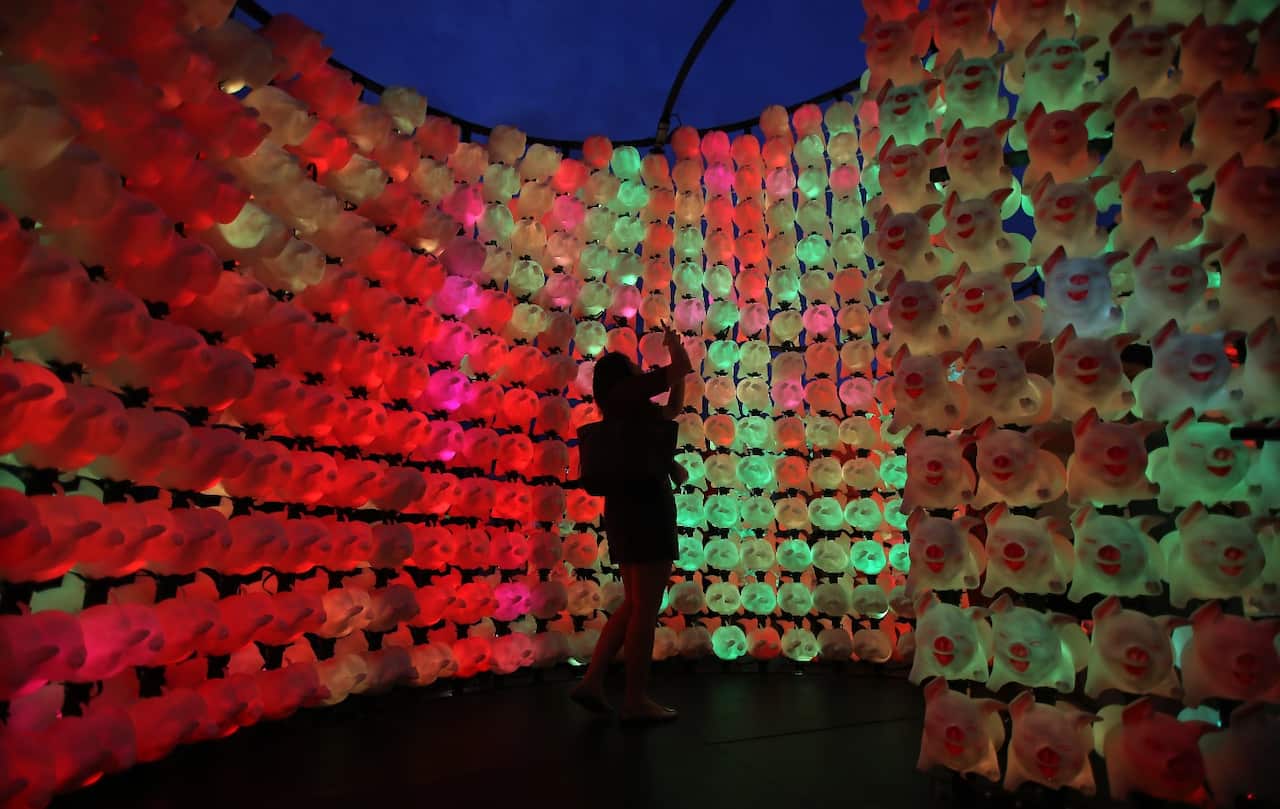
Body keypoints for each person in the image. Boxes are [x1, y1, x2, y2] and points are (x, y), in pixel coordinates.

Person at [570, 326, 692, 724]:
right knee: (645, 608)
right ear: (622, 378)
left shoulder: (624, 407)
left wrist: (679, 377)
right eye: (633, 368)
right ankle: (636, 698)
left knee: (633, 603)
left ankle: (592, 681)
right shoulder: (628, 395)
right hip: (646, 506)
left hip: (624, 506)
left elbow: (672, 409)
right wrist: (675, 347)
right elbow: (681, 368)